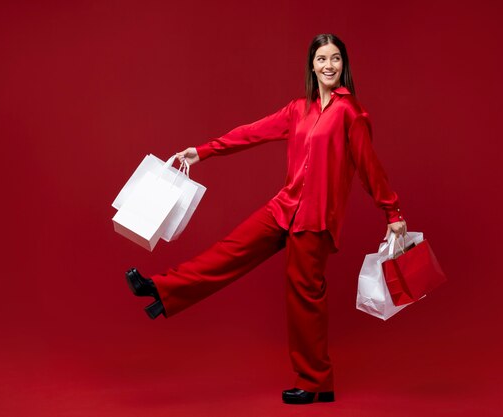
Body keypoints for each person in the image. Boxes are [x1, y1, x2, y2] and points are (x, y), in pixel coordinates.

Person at [125, 33, 407, 405]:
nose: (328, 66)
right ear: (312, 65)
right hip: (284, 207)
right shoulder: (298, 109)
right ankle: (161, 289)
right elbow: (251, 133)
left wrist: (393, 212)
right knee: (229, 251)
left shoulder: (351, 113)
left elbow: (372, 170)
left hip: (316, 218)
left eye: (335, 59)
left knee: (303, 297)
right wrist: (203, 152)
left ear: (344, 66)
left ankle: (315, 382)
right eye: (322, 59)